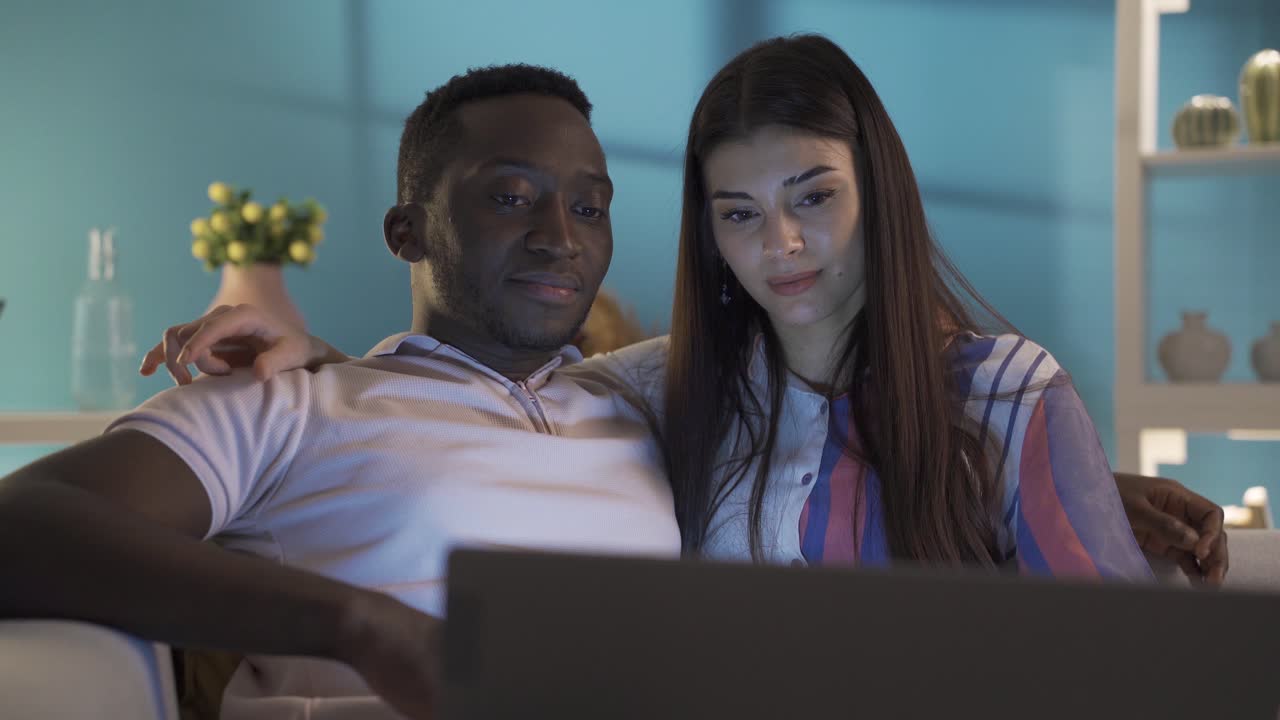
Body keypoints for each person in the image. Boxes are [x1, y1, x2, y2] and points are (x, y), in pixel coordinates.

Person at [149, 36, 1225, 581]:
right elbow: (475, 394)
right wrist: (329, 366)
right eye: (738, 212)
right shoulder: (665, 389)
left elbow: (1107, 668)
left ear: (877, 191)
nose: (782, 245)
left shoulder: (1006, 395)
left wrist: (1069, 469)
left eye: (814, 197)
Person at [0, 65, 684, 720]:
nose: (561, 237)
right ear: (405, 232)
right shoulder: (287, 403)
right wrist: (364, 626)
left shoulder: (644, 397)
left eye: (590, 207)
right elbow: (21, 523)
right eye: (510, 197)